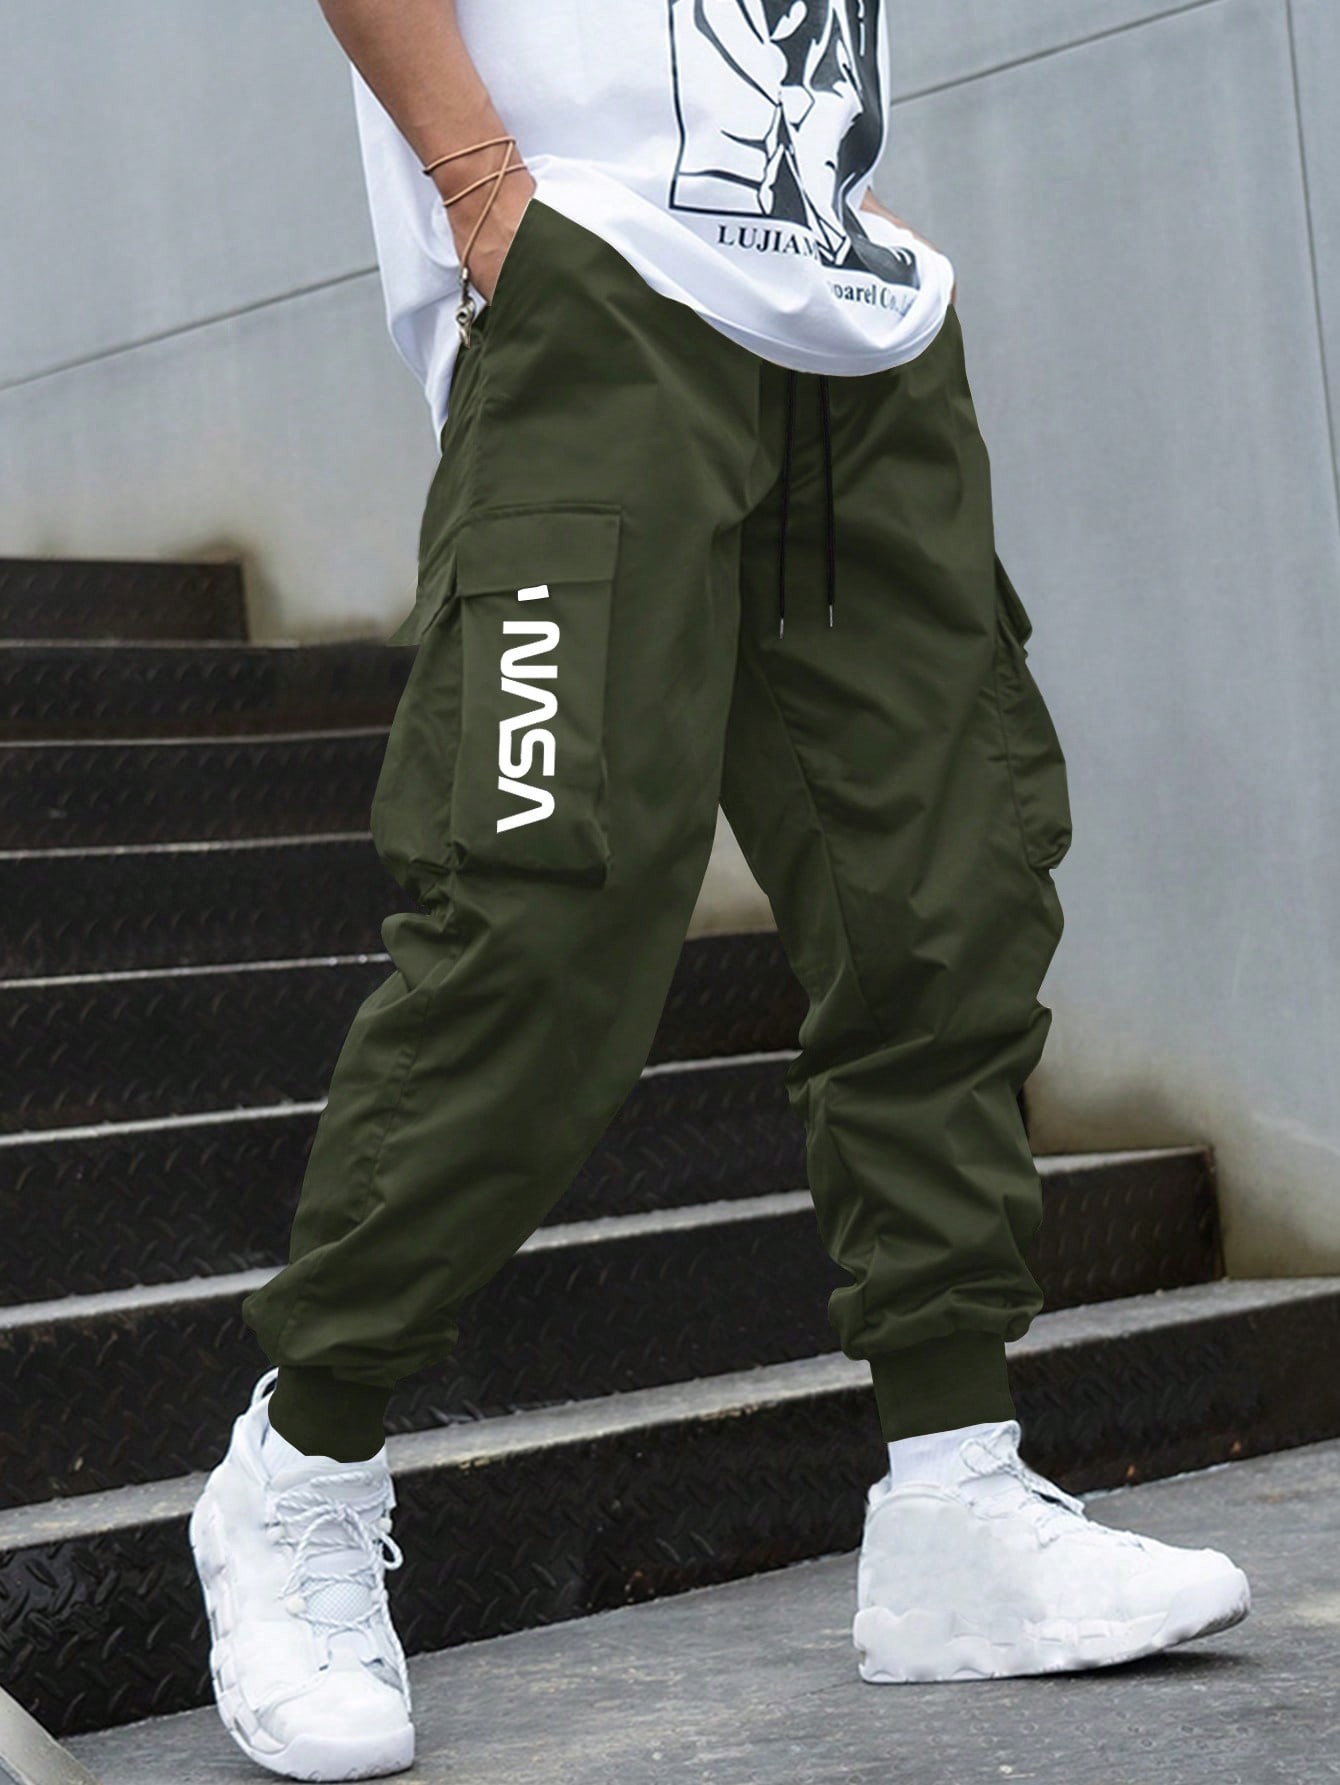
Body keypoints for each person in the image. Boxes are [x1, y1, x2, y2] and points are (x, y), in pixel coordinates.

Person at [188, 3, 1251, 1778]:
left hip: (849, 313)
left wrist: (839, 189)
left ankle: (957, 1490)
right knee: (542, 912)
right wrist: (483, 189)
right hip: (596, 287)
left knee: (945, 899)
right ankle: (299, 1469)